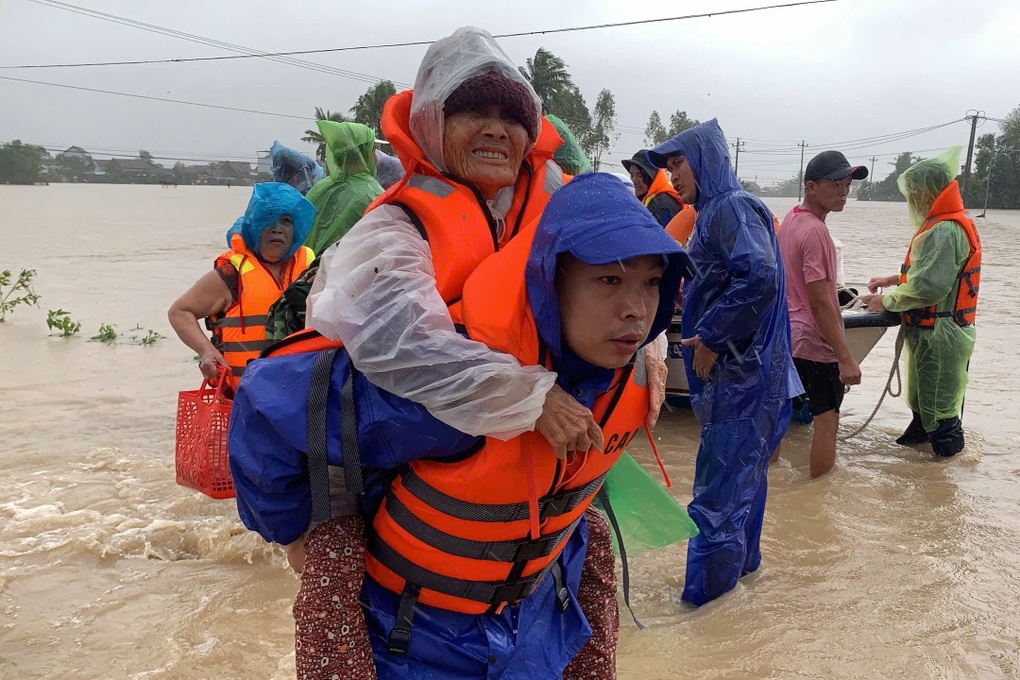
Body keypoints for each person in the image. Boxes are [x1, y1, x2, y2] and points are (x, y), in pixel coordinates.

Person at [229, 173, 688, 679]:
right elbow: (265, 404)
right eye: (609, 281)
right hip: (412, 636)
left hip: (539, 624)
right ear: (549, 280)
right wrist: (295, 534)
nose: (636, 311)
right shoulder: (460, 384)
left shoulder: (636, 374)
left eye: (652, 283)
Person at [647, 119, 802, 606]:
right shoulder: (718, 210)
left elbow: (759, 277)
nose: (672, 175)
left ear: (706, 160)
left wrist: (711, 337)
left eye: (679, 163)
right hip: (753, 378)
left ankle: (701, 608)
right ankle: (737, 596)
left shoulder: (730, 207)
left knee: (716, 501)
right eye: (669, 166)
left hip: (741, 379)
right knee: (742, 490)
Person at [860, 147, 980, 458]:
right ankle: (918, 458)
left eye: (914, 192)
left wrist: (886, 301)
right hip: (930, 332)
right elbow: (930, 273)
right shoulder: (943, 224)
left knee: (941, 414)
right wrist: (893, 279)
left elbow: (929, 288)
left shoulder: (946, 230)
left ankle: (947, 472)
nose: (911, 198)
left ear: (929, 192)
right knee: (923, 403)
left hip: (941, 335)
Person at [167, 182, 315, 389]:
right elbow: (179, 312)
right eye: (268, 218)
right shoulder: (230, 275)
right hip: (243, 397)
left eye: (286, 221)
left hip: (302, 393)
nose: (277, 228)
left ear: (296, 229)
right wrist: (206, 351)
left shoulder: (312, 269)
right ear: (254, 226)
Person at [776, 150, 867, 477]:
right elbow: (820, 302)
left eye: (847, 185)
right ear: (811, 187)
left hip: (788, 337)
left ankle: (770, 482)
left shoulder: (791, 219)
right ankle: (820, 492)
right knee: (826, 423)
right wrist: (844, 357)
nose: (843, 192)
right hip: (815, 342)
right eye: (835, 185)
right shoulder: (816, 232)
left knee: (778, 418)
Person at [622, 149, 684, 227]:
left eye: (640, 175)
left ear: (651, 177)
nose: (634, 181)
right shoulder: (647, 199)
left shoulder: (661, 203)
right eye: (632, 175)